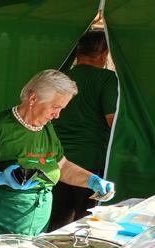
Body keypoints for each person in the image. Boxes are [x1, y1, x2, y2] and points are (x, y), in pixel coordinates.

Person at [0, 69, 116, 248]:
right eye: (55, 107)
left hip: (34, 222)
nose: (58, 115)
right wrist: (0, 178)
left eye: (62, 109)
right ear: (33, 99)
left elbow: (61, 166)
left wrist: (92, 181)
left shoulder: (46, 128)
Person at [49, 30, 118, 230]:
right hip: (89, 164)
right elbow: (112, 120)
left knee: (56, 222)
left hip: (56, 160)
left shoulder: (61, 78)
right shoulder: (106, 79)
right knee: (83, 224)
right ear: (105, 54)